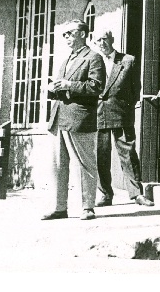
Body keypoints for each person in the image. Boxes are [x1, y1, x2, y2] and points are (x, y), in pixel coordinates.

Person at [42, 20, 105, 221]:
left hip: (79, 118)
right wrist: (54, 89)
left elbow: (96, 87)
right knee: (58, 166)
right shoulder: (67, 59)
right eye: (65, 35)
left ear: (83, 34)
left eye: (70, 33)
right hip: (59, 118)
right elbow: (64, 87)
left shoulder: (93, 57)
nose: (67, 37)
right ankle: (59, 207)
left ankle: (87, 207)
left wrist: (69, 84)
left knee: (85, 164)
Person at [93, 29, 154, 208]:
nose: (102, 43)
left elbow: (136, 89)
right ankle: (105, 194)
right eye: (98, 40)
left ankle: (137, 194)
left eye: (104, 39)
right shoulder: (93, 61)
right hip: (97, 115)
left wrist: (126, 106)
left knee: (128, 154)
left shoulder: (128, 61)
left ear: (111, 40)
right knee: (100, 156)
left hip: (121, 113)